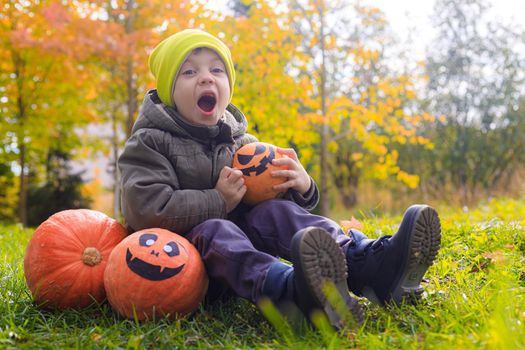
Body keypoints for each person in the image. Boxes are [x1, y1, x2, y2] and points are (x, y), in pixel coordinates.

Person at [118, 29, 441, 329]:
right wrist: (217, 200)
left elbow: (274, 203)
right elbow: (145, 208)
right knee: (215, 228)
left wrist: (300, 186)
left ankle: (367, 267)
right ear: (169, 92)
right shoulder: (150, 141)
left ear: (228, 86)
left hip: (245, 252)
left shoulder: (243, 144)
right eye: (189, 72)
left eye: (217, 71)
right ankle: (288, 293)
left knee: (274, 212)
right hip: (189, 263)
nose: (206, 78)